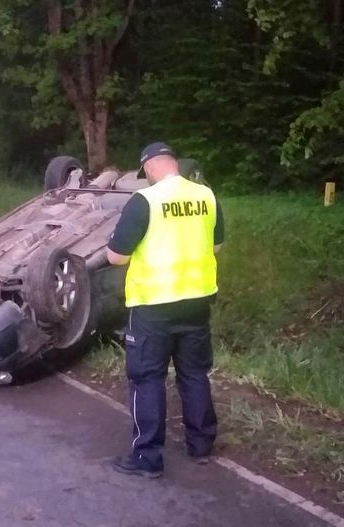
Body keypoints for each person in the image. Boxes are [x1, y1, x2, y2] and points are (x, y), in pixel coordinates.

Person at [106, 142, 224, 478]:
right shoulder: (206, 196)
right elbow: (216, 244)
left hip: (153, 307)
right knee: (194, 373)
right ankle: (201, 446)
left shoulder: (145, 201)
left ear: (152, 167)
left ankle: (147, 459)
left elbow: (117, 256)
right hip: (197, 303)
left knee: (147, 379)